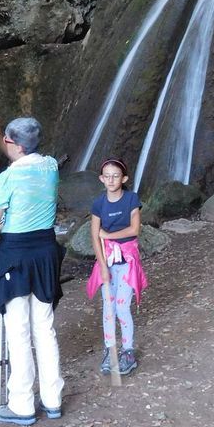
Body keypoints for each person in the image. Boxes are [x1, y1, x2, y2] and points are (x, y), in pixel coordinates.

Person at [0, 114, 64, 425]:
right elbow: (21, 155)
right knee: (44, 327)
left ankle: (22, 404)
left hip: (15, 255)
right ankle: (53, 398)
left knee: (18, 329)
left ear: (13, 144)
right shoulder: (52, 166)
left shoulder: (7, 178)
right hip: (46, 252)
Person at [86, 157, 147, 376]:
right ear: (102, 179)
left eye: (116, 176)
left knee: (122, 307)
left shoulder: (131, 199)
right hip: (108, 263)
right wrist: (102, 267)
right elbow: (95, 236)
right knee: (108, 308)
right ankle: (110, 350)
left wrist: (109, 235)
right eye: (107, 176)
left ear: (124, 178)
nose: (111, 180)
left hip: (128, 262)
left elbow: (134, 229)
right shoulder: (98, 203)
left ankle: (128, 351)